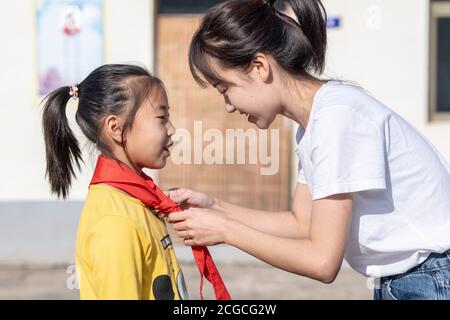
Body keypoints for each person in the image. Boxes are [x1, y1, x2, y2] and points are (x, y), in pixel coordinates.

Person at [165, 0, 450, 300]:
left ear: (260, 67)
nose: (229, 106)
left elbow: (323, 262)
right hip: (413, 279)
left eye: (225, 89)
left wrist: (225, 231)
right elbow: (302, 224)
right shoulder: (315, 122)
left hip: (431, 279)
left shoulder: (336, 117)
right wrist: (214, 208)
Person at [41, 64, 190, 300]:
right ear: (116, 128)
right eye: (162, 118)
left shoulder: (137, 199)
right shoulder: (115, 222)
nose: (171, 129)